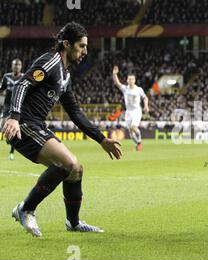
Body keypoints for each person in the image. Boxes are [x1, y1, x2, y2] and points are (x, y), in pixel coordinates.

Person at [1, 22, 122, 237]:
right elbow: (21, 85)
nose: (85, 51)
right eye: (81, 46)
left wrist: (101, 139)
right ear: (67, 44)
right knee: (67, 163)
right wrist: (14, 118)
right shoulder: (50, 62)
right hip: (23, 124)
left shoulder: (65, 77)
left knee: (76, 169)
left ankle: (73, 223)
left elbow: (75, 112)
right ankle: (26, 209)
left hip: (36, 125)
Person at [112, 66, 149, 151]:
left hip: (137, 111)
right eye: (129, 79)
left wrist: (146, 106)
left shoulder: (139, 89)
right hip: (128, 112)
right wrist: (114, 74)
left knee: (133, 127)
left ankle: (139, 142)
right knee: (131, 133)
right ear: (127, 80)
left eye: (132, 79)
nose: (131, 81)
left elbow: (145, 98)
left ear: (135, 80)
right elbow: (117, 83)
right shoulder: (125, 89)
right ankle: (138, 144)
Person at [0, 59, 24, 160]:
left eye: (18, 65)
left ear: (21, 66)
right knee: (2, 126)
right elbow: (2, 88)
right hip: (7, 105)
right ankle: (9, 141)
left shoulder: (24, 77)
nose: (16, 66)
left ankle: (11, 152)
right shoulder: (6, 76)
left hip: (17, 107)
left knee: (14, 129)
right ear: (12, 66)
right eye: (15, 65)